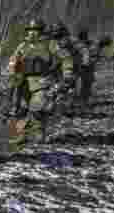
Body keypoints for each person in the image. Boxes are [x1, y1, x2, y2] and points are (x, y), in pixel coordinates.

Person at [5, 18, 73, 147]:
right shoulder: (23, 45)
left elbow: (66, 58)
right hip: (23, 81)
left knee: (37, 107)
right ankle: (21, 135)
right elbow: (13, 60)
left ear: (41, 31)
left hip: (43, 80)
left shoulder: (50, 44)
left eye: (35, 30)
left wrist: (67, 73)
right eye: (30, 30)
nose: (32, 33)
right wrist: (11, 72)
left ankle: (38, 133)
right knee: (21, 110)